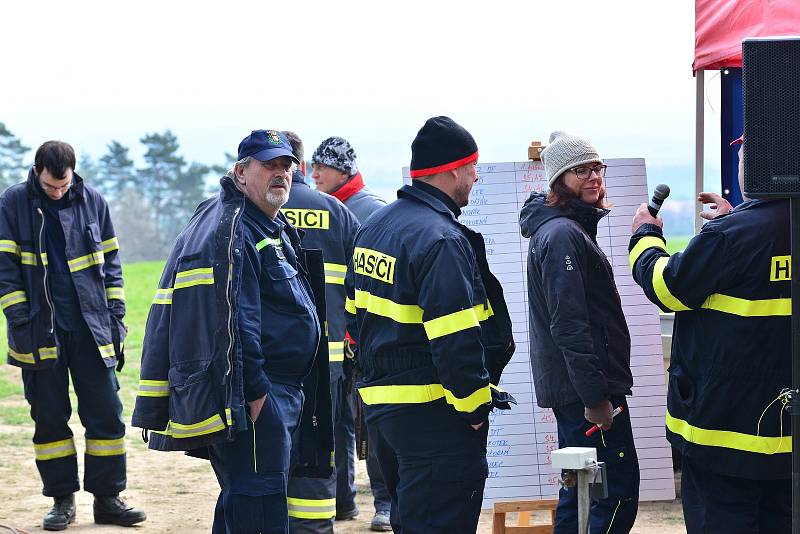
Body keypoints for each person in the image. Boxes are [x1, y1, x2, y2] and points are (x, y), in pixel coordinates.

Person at [131, 129, 333, 534]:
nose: (280, 174)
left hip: (279, 391)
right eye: (268, 165)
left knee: (243, 499)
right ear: (241, 173)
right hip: (260, 396)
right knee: (258, 506)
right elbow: (237, 317)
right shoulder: (237, 230)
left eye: (286, 166)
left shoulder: (267, 225)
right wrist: (256, 392)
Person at [344, 116, 515, 533]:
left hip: (386, 415)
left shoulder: (375, 228)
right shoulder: (441, 240)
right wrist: (474, 407)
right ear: (454, 169)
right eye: (473, 167)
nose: (476, 176)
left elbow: (353, 320)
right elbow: (456, 338)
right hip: (436, 417)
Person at [629, 134, 790, 533]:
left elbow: (666, 287)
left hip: (722, 438)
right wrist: (737, 218)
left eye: (741, 155)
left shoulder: (730, 237)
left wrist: (644, 237)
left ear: (753, 165)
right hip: (787, 443)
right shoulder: (747, 230)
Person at [0, 141, 145, 530]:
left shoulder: (93, 199)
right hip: (39, 331)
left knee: (106, 416)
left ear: (73, 172)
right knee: (49, 420)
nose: (58, 193)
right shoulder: (12, 203)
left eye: (63, 186)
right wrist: (19, 317)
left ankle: (108, 499)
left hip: (92, 329)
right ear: (36, 172)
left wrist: (116, 316)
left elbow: (112, 261)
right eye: (51, 187)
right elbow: (5, 268)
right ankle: (62, 502)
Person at [519, 131, 639, 533]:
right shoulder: (561, 235)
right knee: (614, 493)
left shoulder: (565, 229)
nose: (593, 177)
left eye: (595, 167)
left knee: (580, 492)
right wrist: (595, 398)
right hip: (586, 394)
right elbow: (569, 325)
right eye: (579, 171)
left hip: (582, 389)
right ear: (558, 182)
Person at [280, 131, 362, 533]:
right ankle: (321, 518)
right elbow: (359, 285)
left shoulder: (256, 208)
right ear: (304, 166)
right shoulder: (336, 211)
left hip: (276, 360)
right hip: (328, 357)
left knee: (274, 447)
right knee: (320, 445)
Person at [310, 135, 391, 530]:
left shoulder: (367, 209)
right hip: (340, 340)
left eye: (322, 167)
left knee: (373, 422)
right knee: (344, 421)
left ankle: (386, 503)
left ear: (343, 169)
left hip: (367, 336)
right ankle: (348, 498)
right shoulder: (333, 207)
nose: (314, 174)